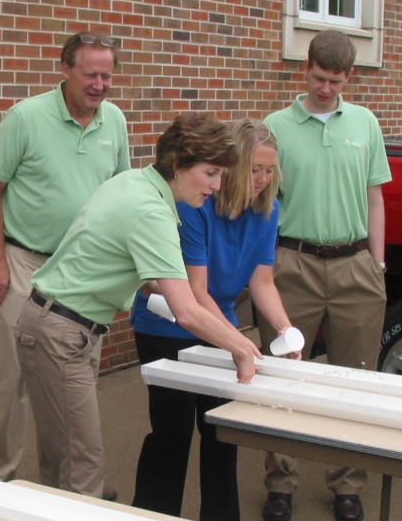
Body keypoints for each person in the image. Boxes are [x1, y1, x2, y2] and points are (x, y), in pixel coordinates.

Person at [16, 113, 263, 500]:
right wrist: (241, 346)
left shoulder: (133, 182)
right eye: (211, 173)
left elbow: (148, 281)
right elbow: (187, 310)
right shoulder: (153, 211)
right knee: (82, 467)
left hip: (53, 324)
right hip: (61, 333)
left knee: (61, 459)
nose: (217, 186)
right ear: (179, 164)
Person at [0, 31, 129, 498]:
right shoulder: (26, 118)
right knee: (11, 382)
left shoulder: (115, 121)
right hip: (25, 264)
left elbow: (122, 195)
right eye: (90, 74)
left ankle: (67, 487)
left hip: (83, 272)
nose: (99, 84)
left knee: (71, 386)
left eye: (107, 74)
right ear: (64, 69)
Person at [129, 119, 299, 521]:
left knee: (222, 433)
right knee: (172, 434)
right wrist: (238, 344)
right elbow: (196, 294)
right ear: (235, 167)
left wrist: (283, 329)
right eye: (255, 168)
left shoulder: (267, 211)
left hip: (218, 325)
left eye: (270, 170)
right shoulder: (195, 207)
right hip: (168, 324)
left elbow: (261, 281)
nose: (262, 179)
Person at [255, 29, 391, 521]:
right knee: (284, 375)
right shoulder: (275, 127)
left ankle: (348, 485)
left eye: (336, 81)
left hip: (356, 263)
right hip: (292, 263)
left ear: (349, 76)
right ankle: (280, 483)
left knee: (355, 380)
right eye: (318, 77)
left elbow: (376, 198)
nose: (326, 89)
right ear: (304, 68)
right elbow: (260, 200)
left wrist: (377, 263)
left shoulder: (365, 123)